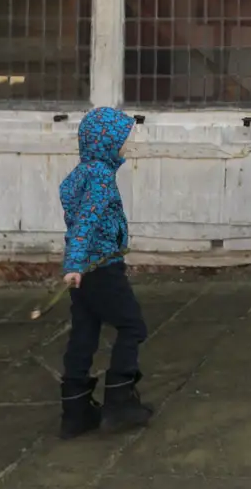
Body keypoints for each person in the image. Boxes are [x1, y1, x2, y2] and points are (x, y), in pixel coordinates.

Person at [58, 106, 153, 439]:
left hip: (85, 271)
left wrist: (74, 266)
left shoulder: (82, 172)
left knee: (84, 333)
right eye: (124, 139)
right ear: (107, 142)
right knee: (133, 326)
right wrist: (75, 264)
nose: (128, 144)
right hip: (100, 269)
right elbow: (86, 221)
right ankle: (119, 401)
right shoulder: (99, 176)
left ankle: (75, 411)